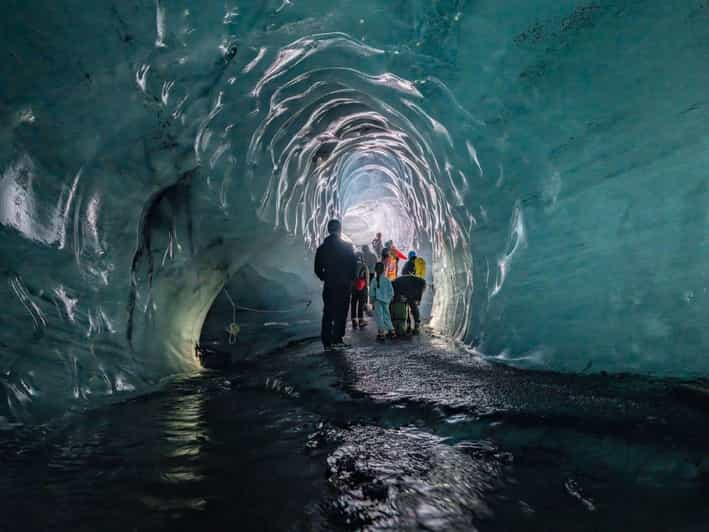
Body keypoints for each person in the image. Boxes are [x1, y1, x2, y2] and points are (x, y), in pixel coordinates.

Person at [314, 219, 357, 348]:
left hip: (329, 285)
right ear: (340, 230)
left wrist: (325, 277)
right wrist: (350, 280)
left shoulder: (322, 248)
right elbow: (353, 267)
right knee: (341, 312)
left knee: (328, 311)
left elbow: (317, 269)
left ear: (328, 230)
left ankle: (326, 341)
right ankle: (337, 339)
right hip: (343, 285)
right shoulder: (348, 247)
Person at [370, 262, 395, 341]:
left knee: (379, 317)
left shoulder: (374, 280)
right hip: (386, 301)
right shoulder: (387, 280)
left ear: (375, 270)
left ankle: (381, 333)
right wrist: (389, 299)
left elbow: (371, 293)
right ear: (384, 270)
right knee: (387, 315)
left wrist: (372, 302)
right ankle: (392, 331)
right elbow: (391, 292)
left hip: (377, 301)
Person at [351, 252, 369, 329]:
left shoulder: (351, 265)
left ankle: (354, 321)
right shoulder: (364, 266)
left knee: (353, 303)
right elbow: (367, 279)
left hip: (353, 287)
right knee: (361, 304)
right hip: (362, 287)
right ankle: (361, 321)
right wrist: (366, 287)